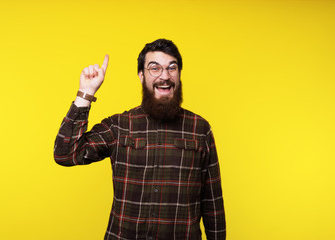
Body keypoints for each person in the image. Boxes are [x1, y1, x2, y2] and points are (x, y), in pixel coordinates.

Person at [54, 39, 226, 240]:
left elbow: (213, 203)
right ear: (141, 75)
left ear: (179, 75)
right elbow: (66, 154)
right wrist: (86, 93)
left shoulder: (200, 129)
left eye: (172, 68)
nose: (165, 76)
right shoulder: (119, 126)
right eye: (155, 68)